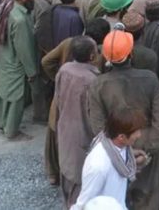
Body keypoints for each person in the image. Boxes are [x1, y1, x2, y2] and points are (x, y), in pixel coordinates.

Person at [88, 28, 159, 210]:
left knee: (115, 194)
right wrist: (153, 146)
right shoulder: (150, 78)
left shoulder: (98, 84)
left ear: (106, 57)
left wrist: (115, 151)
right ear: (131, 53)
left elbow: (97, 125)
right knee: (146, 193)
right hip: (147, 143)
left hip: (117, 146)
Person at [54, 35, 100, 207]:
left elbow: (58, 99)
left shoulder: (64, 70)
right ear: (91, 56)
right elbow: (95, 117)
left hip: (65, 127)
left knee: (67, 171)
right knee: (80, 179)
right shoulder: (92, 80)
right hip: (83, 134)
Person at [73, 107, 147, 210]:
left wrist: (133, 158)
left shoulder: (121, 148)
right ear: (121, 137)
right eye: (136, 131)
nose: (139, 135)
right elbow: (83, 203)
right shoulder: (98, 166)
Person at [0, 0, 37, 141]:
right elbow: (24, 49)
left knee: (4, 92)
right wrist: (31, 71)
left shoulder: (8, 6)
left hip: (5, 57)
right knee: (16, 98)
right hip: (15, 63)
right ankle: (12, 130)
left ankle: (2, 121)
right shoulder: (20, 19)